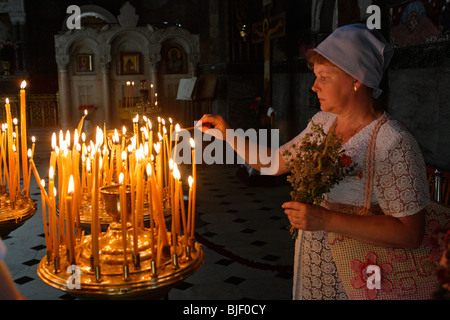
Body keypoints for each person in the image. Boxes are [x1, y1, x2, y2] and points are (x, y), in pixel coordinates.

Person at [196, 23, 430, 300]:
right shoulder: (323, 123)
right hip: (315, 269)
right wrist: (227, 134)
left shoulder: (392, 141)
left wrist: (326, 219)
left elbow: (410, 234)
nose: (314, 85)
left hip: (363, 281)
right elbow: (274, 163)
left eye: (324, 77)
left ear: (356, 79)